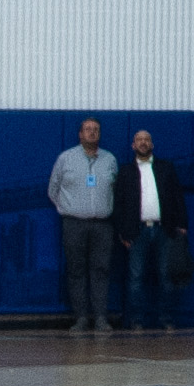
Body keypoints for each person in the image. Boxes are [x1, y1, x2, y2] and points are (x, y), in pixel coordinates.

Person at [111, 129, 186, 332]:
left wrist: (182, 226)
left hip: (165, 231)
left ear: (152, 145)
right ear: (133, 145)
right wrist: (123, 233)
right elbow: (119, 204)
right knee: (135, 278)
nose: (143, 143)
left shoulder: (166, 168)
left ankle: (167, 319)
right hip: (137, 232)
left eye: (147, 140)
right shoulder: (125, 171)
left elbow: (177, 197)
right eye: (139, 140)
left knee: (166, 277)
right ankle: (136, 321)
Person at [49, 118, 118, 333]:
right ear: (80, 134)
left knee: (101, 271)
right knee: (76, 271)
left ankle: (100, 319)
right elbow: (53, 190)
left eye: (96, 130)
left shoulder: (110, 160)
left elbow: (116, 190)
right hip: (74, 224)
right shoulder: (66, 159)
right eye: (88, 130)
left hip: (102, 225)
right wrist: (68, 209)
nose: (92, 133)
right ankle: (80, 319)